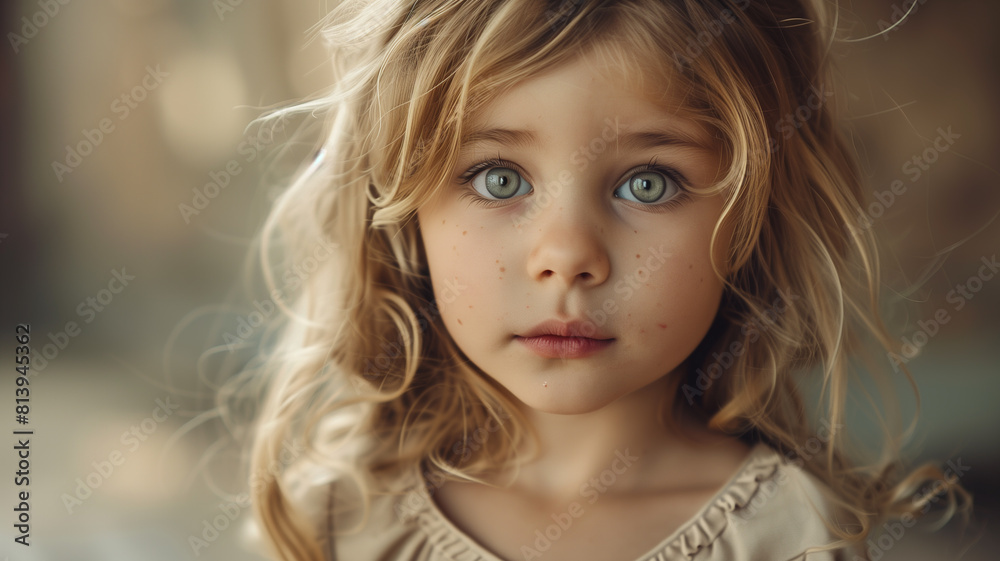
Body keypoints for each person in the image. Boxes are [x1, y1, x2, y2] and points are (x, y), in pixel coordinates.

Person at [229, 1, 970, 559]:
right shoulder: (334, 518)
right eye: (496, 177)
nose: (568, 255)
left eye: (648, 183)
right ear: (401, 210)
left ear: (752, 217)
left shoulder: (788, 534)